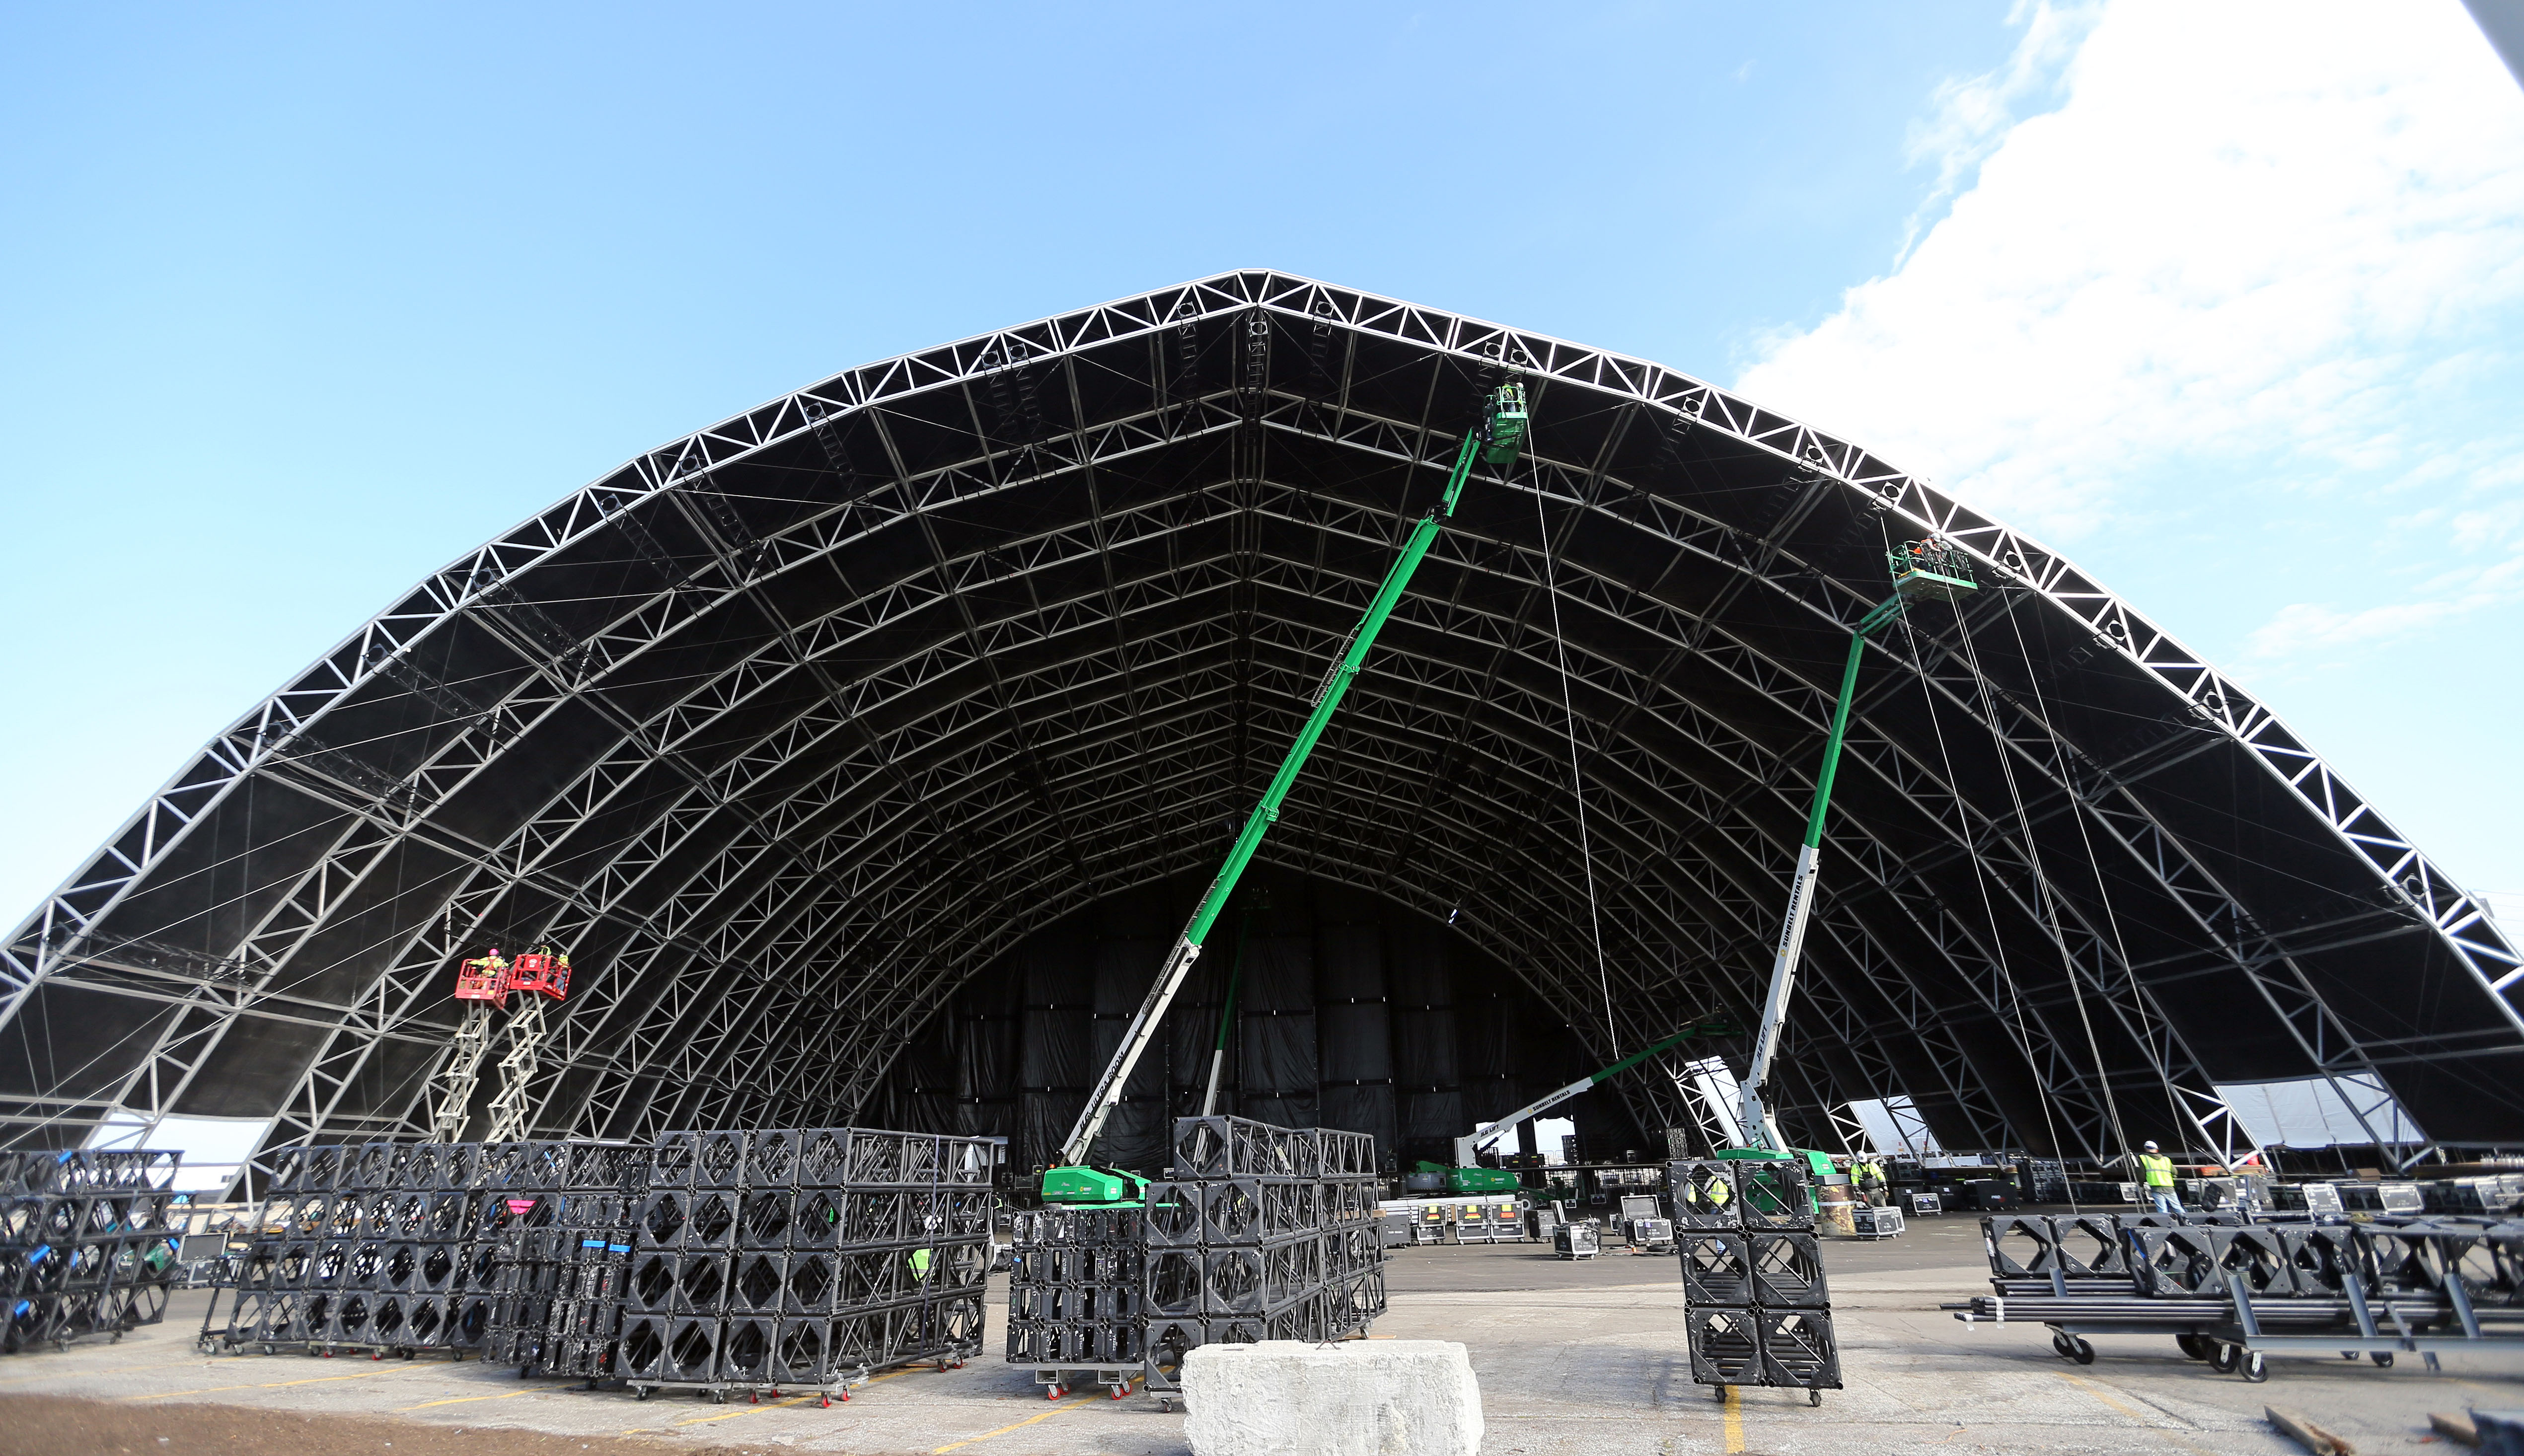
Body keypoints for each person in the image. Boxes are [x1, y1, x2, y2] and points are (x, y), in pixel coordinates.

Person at [2138, 1141, 2182, 1215]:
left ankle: (2166, 1224)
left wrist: (2141, 1185)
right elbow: (2175, 1172)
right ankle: (2187, 1221)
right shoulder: (2166, 1159)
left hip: (2156, 1188)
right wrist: (2172, 1179)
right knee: (2177, 1207)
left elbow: (2141, 1174)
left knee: (2162, 1210)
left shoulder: (2144, 1158)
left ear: (2146, 1149)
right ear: (2157, 1150)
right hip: (2169, 1187)